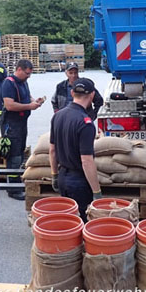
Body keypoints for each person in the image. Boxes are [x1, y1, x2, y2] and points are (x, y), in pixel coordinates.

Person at [49, 78, 102, 221]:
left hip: (62, 178)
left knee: (68, 221)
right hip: (78, 183)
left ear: (72, 93)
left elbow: (52, 150)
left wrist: (54, 175)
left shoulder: (57, 116)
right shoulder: (86, 123)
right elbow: (86, 161)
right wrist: (96, 191)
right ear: (91, 95)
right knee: (82, 223)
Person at [0, 59, 45, 200]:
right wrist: (29, 107)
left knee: (19, 152)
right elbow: (9, 105)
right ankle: (13, 189)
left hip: (21, 123)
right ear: (19, 69)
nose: (28, 76)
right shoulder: (8, 83)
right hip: (11, 124)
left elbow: (27, 96)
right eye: (27, 73)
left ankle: (17, 183)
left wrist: (34, 101)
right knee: (14, 156)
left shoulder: (23, 82)